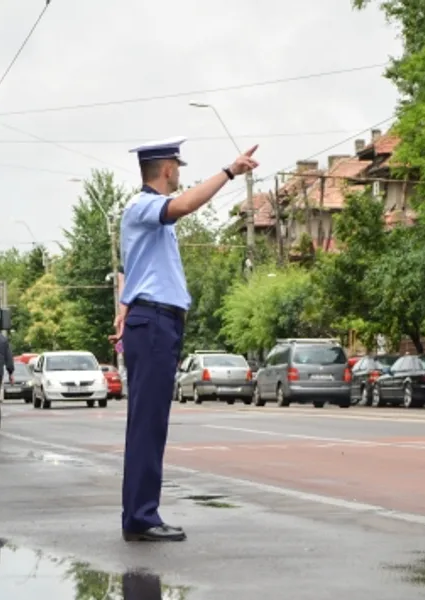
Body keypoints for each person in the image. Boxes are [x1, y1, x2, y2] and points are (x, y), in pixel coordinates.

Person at [111, 136, 258, 542]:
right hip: (154, 321)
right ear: (168, 169)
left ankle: (140, 513)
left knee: (150, 423)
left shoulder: (146, 216)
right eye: (178, 167)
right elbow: (187, 205)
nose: (179, 174)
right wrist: (230, 172)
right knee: (147, 424)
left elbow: (135, 269)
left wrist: (124, 306)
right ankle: (141, 517)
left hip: (157, 321)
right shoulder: (144, 206)